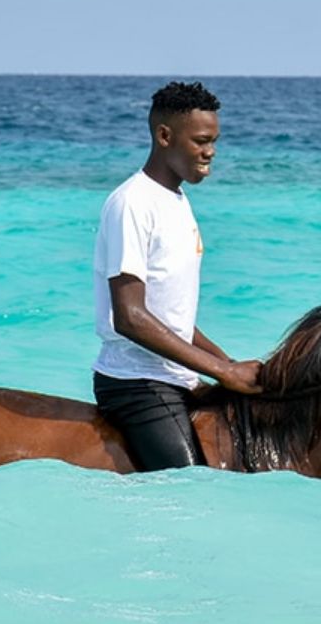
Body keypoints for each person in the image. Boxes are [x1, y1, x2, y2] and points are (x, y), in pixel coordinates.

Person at [92, 80, 261, 470]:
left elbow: (173, 319)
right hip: (135, 382)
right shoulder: (132, 203)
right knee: (189, 487)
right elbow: (131, 317)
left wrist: (229, 364)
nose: (211, 151)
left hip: (177, 378)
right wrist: (222, 371)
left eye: (215, 140)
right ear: (164, 135)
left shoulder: (177, 201)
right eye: (201, 141)